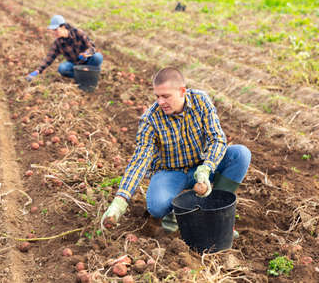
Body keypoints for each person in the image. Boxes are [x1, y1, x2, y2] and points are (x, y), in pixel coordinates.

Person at [101, 67, 251, 237]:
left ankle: (214, 212)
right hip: (170, 173)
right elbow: (140, 160)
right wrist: (121, 199)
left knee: (240, 154)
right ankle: (183, 209)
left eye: (166, 96)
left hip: (200, 168)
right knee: (157, 207)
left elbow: (217, 139)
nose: (160, 102)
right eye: (157, 96)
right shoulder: (151, 119)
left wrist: (207, 167)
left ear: (182, 91)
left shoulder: (201, 101)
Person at [26, 15, 103, 82]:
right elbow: (49, 58)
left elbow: (92, 47)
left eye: (56, 30)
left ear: (63, 27)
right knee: (62, 69)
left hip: (87, 62)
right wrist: (37, 71)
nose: (54, 32)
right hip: (75, 65)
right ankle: (82, 77)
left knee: (98, 57)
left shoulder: (78, 33)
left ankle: (89, 73)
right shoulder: (58, 43)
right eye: (53, 30)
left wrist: (86, 54)